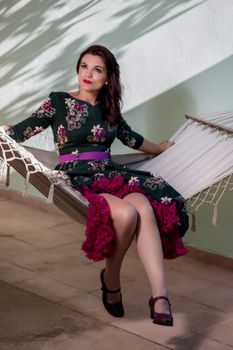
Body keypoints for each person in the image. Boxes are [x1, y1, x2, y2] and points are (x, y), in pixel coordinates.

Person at [2, 44, 189, 326]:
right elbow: (27, 128)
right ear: (78, 69)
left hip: (111, 172)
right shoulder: (59, 102)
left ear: (107, 78)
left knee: (145, 209)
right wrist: (6, 135)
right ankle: (111, 282)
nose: (88, 74)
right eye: (84, 66)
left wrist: (160, 148)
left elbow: (132, 139)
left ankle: (160, 296)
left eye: (97, 69)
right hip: (77, 175)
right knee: (126, 214)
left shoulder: (109, 108)